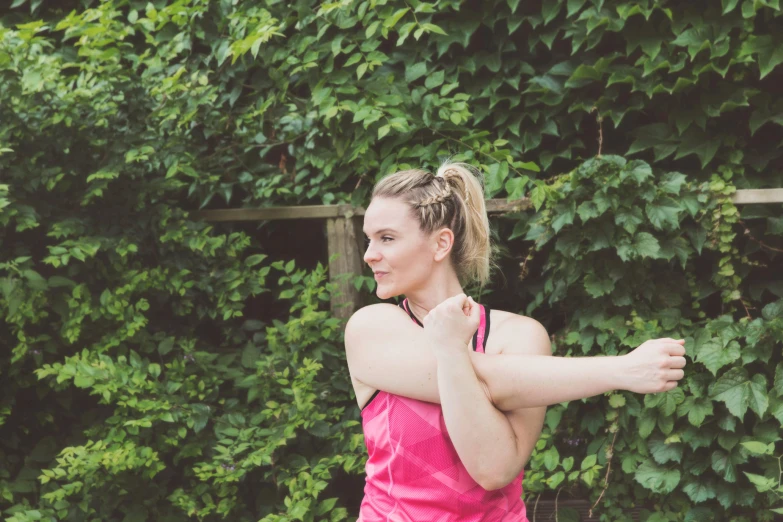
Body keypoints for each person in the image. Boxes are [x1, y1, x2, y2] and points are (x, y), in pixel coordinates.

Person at [344, 163, 687, 521]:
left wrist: (451, 351)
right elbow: (493, 379)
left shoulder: (520, 335)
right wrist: (620, 369)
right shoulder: (371, 327)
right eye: (369, 239)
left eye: (386, 238)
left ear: (441, 243)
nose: (369, 254)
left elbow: (493, 469)